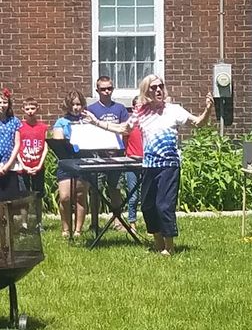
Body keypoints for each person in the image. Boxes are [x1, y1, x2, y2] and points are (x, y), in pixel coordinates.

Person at [85, 75, 214, 255]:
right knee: (147, 206)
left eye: (160, 86)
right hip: (149, 165)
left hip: (169, 165)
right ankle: (158, 244)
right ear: (146, 91)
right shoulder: (141, 112)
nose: (158, 90)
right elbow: (124, 129)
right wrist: (96, 122)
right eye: (153, 88)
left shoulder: (174, 110)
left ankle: (169, 247)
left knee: (164, 206)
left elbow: (198, 123)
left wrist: (208, 109)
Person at [87, 76, 130, 231]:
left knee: (116, 189)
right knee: (95, 190)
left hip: (117, 154)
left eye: (109, 88)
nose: (106, 91)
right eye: (103, 89)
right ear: (97, 90)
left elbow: (126, 129)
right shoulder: (91, 109)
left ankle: (118, 221)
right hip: (98, 154)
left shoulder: (120, 108)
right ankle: (94, 223)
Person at [52, 90, 92, 238]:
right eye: (73, 104)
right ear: (68, 105)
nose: (76, 107)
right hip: (66, 162)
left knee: (80, 196)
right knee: (65, 197)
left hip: (83, 161)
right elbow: (58, 142)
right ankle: (65, 228)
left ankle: (78, 230)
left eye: (79, 104)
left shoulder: (87, 121)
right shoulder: (61, 122)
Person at [17, 97, 49, 200]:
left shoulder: (43, 127)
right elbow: (16, 147)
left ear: (37, 108)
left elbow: (45, 147)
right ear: (23, 109)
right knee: (24, 196)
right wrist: (23, 166)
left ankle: (38, 211)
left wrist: (39, 165)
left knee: (38, 195)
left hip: (38, 166)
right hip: (23, 167)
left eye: (32, 108)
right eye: (27, 109)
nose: (30, 111)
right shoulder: (19, 127)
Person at [124, 96, 143, 234]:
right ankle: (132, 224)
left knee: (148, 195)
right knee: (133, 195)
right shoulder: (129, 125)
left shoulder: (149, 123)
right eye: (138, 106)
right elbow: (124, 141)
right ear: (133, 108)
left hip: (146, 162)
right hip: (131, 161)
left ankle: (151, 225)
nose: (140, 108)